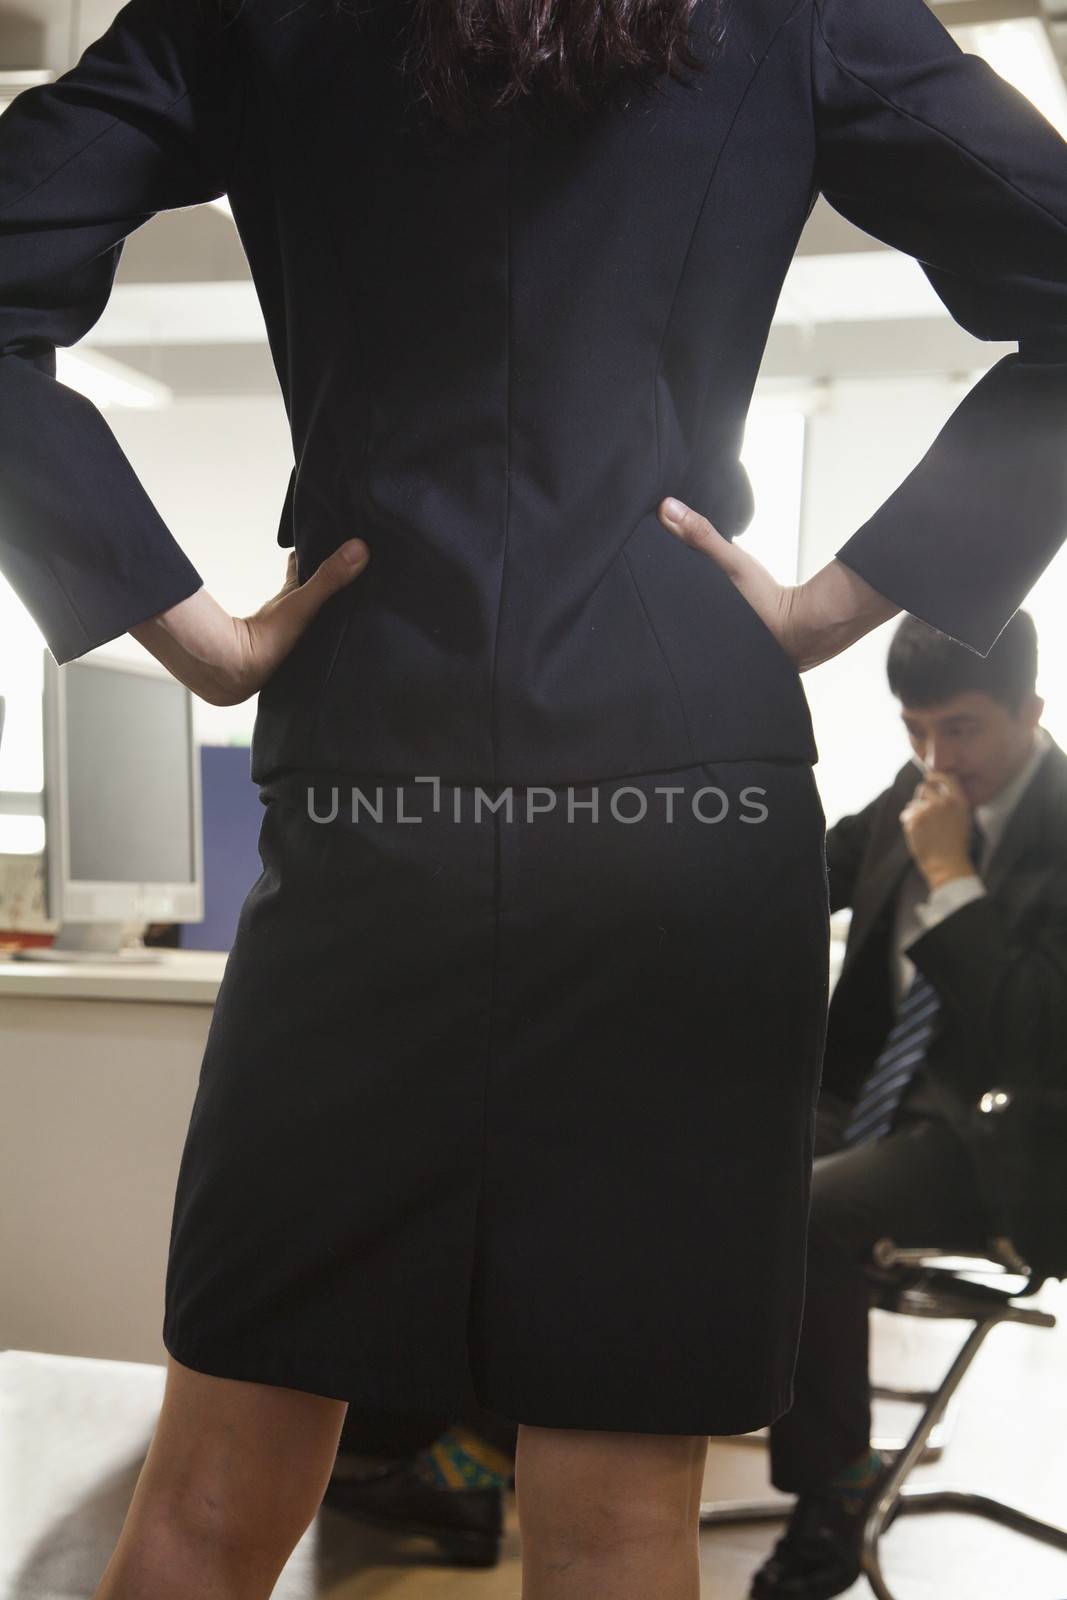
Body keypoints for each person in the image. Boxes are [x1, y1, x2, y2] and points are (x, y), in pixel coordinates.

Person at [3, 0, 1067, 1595]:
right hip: (680, 772)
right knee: (620, 1507)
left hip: (373, 774)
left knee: (214, 1496)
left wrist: (188, 632)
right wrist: (830, 608)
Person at [751, 609, 1067, 1600]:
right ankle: (549, 1427)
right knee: (686, 1153)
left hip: (998, 1142)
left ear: (1030, 708)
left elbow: (1035, 1035)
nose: (936, 755)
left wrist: (949, 873)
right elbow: (802, 877)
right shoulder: (916, 784)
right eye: (912, 726)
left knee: (802, 1211)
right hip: (867, 1102)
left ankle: (831, 1493)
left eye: (962, 727)